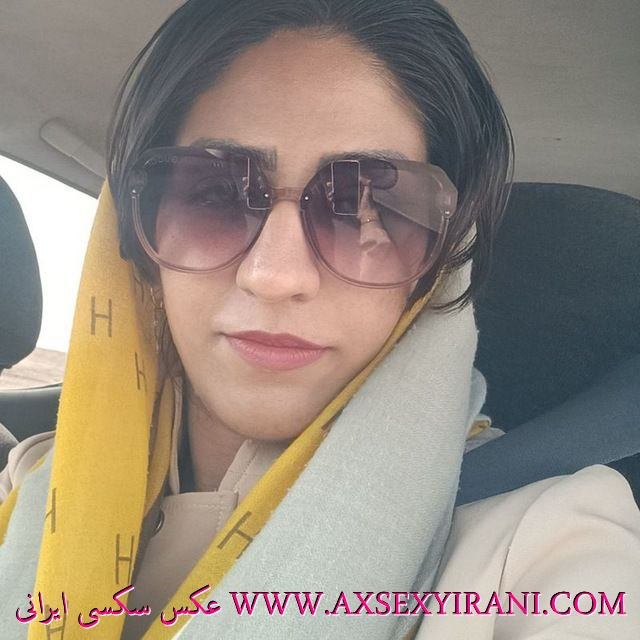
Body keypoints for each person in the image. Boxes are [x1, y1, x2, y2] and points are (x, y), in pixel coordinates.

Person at [1, 1, 639, 638]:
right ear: (139, 234)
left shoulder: (539, 544)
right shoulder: (29, 483)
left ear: (438, 265)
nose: (276, 275)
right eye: (214, 195)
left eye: (366, 208)